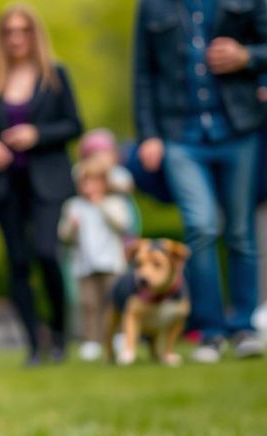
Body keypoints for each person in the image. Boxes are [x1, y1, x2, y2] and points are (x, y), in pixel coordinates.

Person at [133, 0, 267, 362]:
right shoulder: (151, 6)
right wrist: (148, 133)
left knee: (240, 231)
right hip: (181, 135)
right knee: (201, 227)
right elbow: (144, 74)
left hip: (238, 127)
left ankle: (243, 327)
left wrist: (247, 56)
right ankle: (209, 332)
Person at [0, 4, 82, 366]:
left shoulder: (55, 75)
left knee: (48, 254)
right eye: (9, 32)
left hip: (48, 181)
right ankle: (35, 344)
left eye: (23, 31)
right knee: (17, 263)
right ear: (0, 38)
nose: (16, 38)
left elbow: (74, 125)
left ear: (34, 34)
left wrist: (37, 134)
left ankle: (61, 334)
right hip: (6, 186)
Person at [59, 158, 131, 362]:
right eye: (86, 182)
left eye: (95, 182)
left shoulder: (113, 203)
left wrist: (102, 206)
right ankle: (91, 341)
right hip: (84, 265)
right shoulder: (73, 206)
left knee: (113, 301)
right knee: (88, 304)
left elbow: (123, 224)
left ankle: (118, 336)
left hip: (111, 263)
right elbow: (64, 237)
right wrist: (72, 227)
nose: (90, 187)